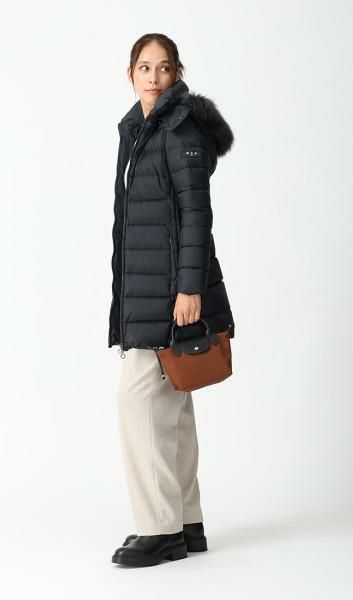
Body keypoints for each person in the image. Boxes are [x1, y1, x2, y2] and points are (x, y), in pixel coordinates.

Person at [109, 33, 235, 567]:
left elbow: (196, 215)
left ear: (177, 73)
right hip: (149, 287)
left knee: (138, 403)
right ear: (130, 74)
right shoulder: (139, 129)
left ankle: (159, 529)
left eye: (164, 68)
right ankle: (187, 523)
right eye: (145, 67)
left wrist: (189, 289)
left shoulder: (179, 128)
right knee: (172, 406)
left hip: (170, 293)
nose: (154, 77)